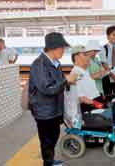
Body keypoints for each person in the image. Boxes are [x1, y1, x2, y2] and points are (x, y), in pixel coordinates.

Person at [70, 45, 115, 151]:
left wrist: (102, 101)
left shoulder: (84, 72)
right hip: (90, 111)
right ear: (77, 57)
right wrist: (99, 104)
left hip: (96, 105)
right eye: (85, 55)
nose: (88, 57)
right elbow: (81, 98)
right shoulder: (76, 74)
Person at [29, 32, 78, 166]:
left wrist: (68, 81)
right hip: (43, 111)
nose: (64, 51)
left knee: (54, 136)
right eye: (62, 48)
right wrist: (66, 80)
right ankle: (48, 163)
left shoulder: (56, 63)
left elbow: (59, 81)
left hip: (55, 109)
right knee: (46, 141)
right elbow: (47, 88)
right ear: (52, 48)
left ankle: (50, 161)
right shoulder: (39, 65)